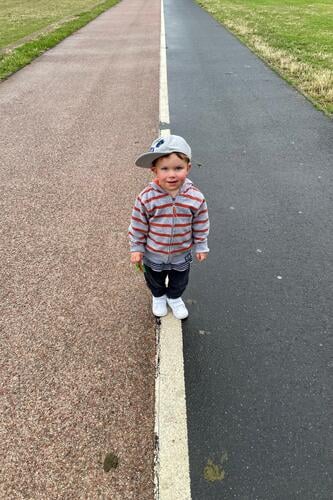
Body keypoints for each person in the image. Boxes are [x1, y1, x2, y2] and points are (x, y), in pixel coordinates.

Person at [128, 135, 209, 319]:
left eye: (178, 168)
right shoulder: (147, 197)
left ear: (187, 168)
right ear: (154, 170)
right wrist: (136, 248)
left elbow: (201, 222)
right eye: (164, 169)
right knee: (154, 279)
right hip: (154, 252)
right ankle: (158, 296)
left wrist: (201, 245)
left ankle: (174, 297)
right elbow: (138, 225)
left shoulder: (195, 197)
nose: (171, 174)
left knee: (180, 280)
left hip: (181, 252)